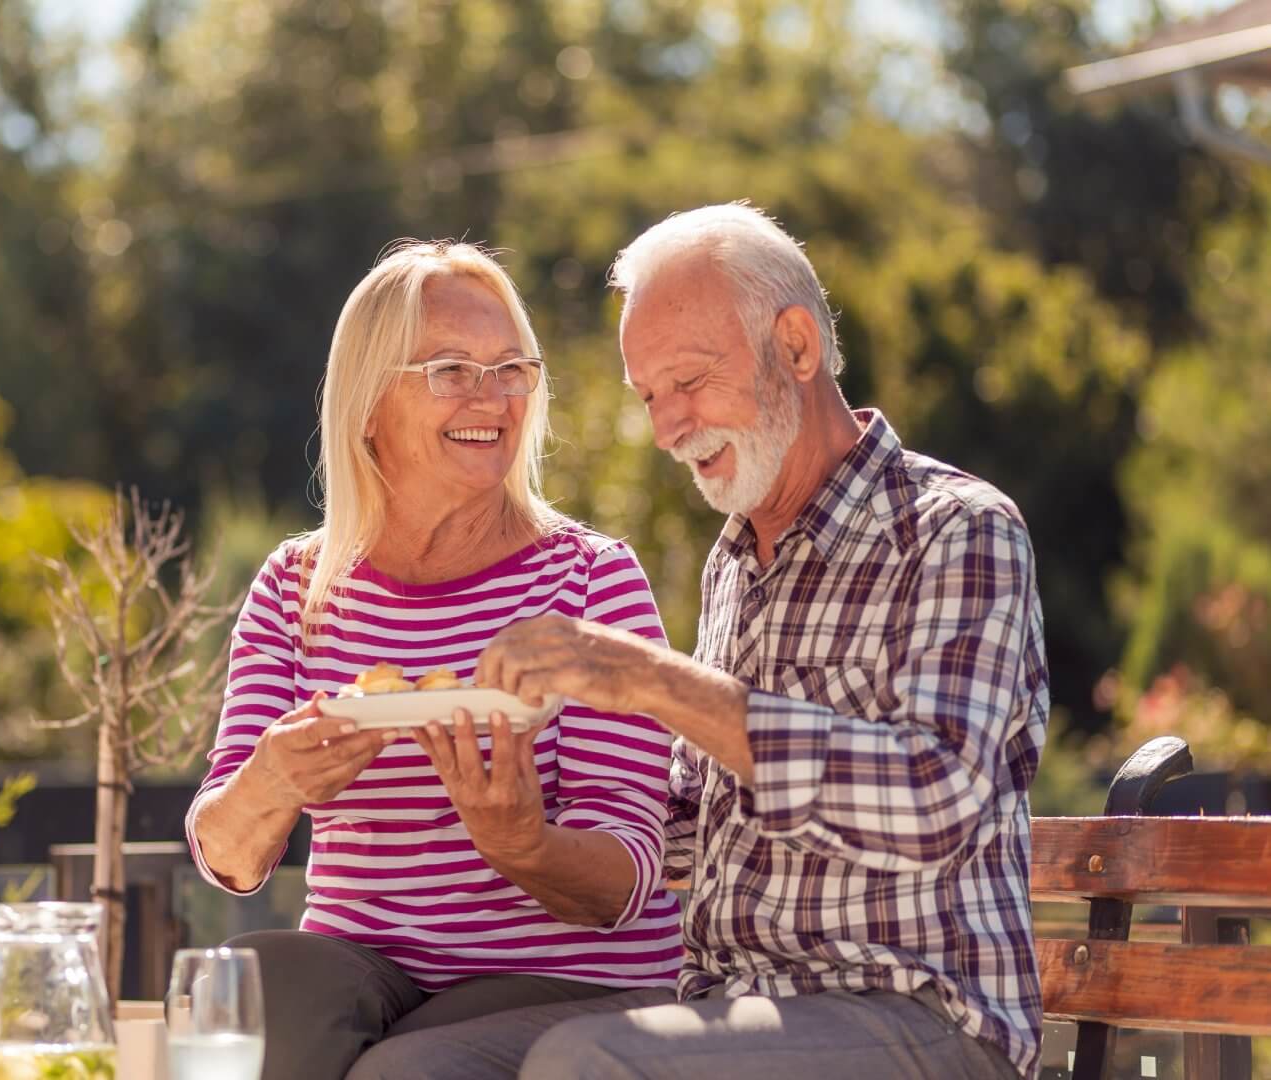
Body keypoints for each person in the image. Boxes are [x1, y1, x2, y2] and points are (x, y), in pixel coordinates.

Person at [358, 203, 1047, 1078]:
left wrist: (651, 679)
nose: (666, 428)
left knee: (590, 1063)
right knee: (409, 1072)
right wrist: (520, 815)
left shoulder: (956, 530)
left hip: (927, 1018)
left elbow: (940, 797)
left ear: (795, 348)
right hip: (730, 1011)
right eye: (649, 396)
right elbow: (688, 831)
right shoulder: (736, 563)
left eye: (687, 382)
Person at [185, 241, 683, 1080]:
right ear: (369, 401)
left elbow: (630, 871)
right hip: (370, 970)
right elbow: (228, 857)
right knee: (255, 987)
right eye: (452, 369)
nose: (491, 397)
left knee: (403, 1069)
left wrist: (520, 841)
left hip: (565, 978)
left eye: (511, 369)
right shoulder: (296, 588)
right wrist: (275, 780)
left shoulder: (592, 579)